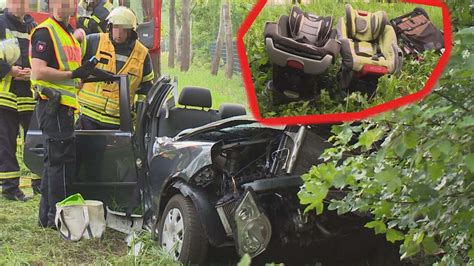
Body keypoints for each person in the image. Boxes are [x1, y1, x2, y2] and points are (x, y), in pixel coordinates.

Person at [30, 0, 100, 228]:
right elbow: (39, 71)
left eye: (67, 2)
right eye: (58, 2)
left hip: (65, 107)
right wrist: (73, 73)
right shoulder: (45, 31)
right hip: (53, 105)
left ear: (74, 7)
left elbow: (74, 78)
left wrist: (84, 74)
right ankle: (58, 220)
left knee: (56, 163)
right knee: (61, 164)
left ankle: (47, 219)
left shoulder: (69, 36)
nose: (62, 6)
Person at [77, 6, 154, 130]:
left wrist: (140, 116)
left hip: (118, 122)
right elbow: (71, 64)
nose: (118, 33)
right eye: (116, 27)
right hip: (86, 117)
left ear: (132, 31)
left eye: (124, 29)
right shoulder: (94, 41)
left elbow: (145, 89)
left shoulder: (142, 54)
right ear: (110, 27)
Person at [0, 0, 38, 201]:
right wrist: (10, 71)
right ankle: (10, 188)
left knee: (34, 141)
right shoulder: (0, 23)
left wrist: (34, 71)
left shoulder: (33, 27)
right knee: (6, 143)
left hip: (29, 94)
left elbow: (39, 54)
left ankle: (38, 183)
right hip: (6, 94)